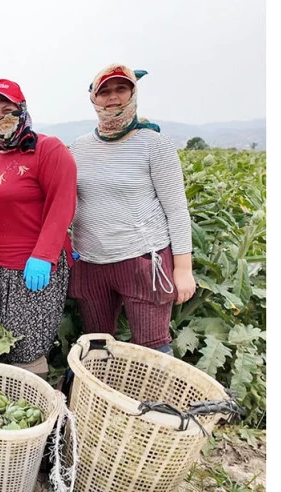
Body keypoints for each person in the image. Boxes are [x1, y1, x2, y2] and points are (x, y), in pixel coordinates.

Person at [67, 64, 194, 355]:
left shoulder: (154, 144)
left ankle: (159, 401)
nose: (113, 97)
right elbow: (70, 204)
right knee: (97, 346)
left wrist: (183, 269)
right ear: (93, 98)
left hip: (142, 261)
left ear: (133, 94)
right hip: (91, 263)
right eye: (105, 91)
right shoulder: (79, 147)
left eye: (121, 89)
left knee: (153, 348)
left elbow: (176, 210)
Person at [0, 79, 78, 381]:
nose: (0, 119)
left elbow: (62, 204)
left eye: (8, 110)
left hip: (31, 271)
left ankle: (37, 418)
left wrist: (44, 255)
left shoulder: (48, 149)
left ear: (23, 110)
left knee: (27, 350)